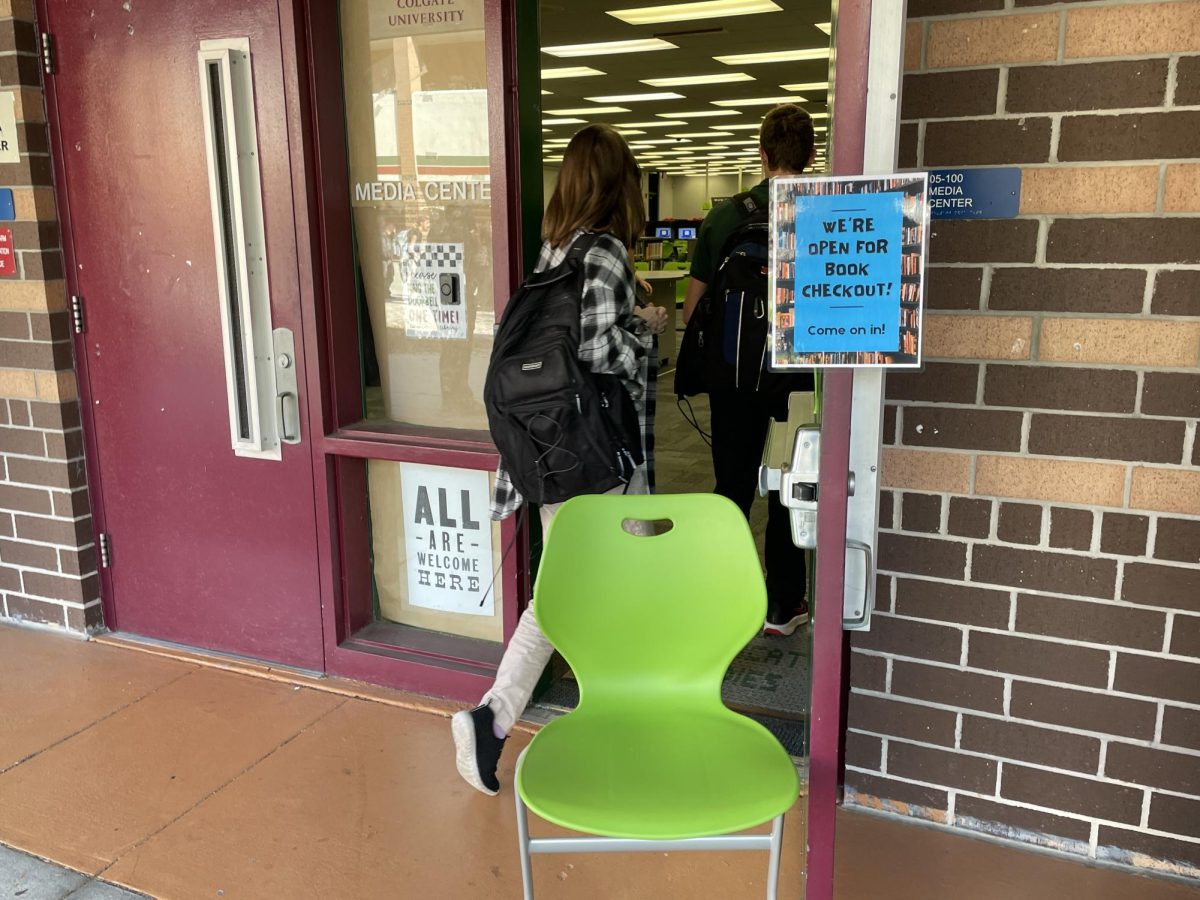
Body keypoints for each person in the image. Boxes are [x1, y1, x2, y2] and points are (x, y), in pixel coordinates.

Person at [451, 124, 669, 796]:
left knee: (563, 596)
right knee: (614, 592)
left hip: (552, 461)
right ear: (618, 188)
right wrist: (648, 332)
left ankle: (495, 718)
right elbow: (602, 355)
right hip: (603, 464)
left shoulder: (550, 256)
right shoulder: (601, 254)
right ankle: (609, 724)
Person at [682, 103, 816, 637]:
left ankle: (724, 595)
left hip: (733, 378)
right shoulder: (822, 214)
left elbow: (693, 312)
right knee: (788, 485)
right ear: (809, 155)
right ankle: (784, 605)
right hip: (797, 381)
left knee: (732, 484)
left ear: (760, 155)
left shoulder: (724, 217)